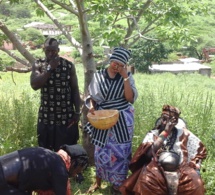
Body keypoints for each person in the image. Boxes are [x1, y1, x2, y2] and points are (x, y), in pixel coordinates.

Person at [84, 47, 138, 194]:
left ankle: (118, 184)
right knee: (100, 151)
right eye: (115, 63)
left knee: (121, 151)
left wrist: (125, 76)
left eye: (121, 65)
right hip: (103, 118)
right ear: (110, 61)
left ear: (124, 65)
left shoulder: (126, 76)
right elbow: (92, 98)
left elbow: (130, 98)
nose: (117, 67)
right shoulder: (99, 75)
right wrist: (91, 107)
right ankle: (98, 181)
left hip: (122, 119)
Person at [120, 105, 207, 195]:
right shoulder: (153, 134)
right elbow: (148, 154)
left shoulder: (184, 134)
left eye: (170, 120)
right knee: (147, 181)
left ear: (175, 121)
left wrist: (195, 165)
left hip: (181, 167)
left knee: (195, 184)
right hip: (156, 167)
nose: (166, 122)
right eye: (164, 119)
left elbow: (199, 150)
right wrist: (165, 132)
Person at [30, 37, 81, 152]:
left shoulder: (68, 66)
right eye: (47, 51)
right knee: (46, 152)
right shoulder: (39, 64)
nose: (50, 53)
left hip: (65, 117)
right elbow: (34, 85)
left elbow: (74, 89)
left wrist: (77, 111)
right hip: (46, 117)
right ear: (44, 50)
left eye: (53, 51)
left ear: (58, 50)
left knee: (67, 152)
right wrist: (49, 69)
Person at [0, 144, 88, 195]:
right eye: (79, 170)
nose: (76, 174)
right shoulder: (60, 171)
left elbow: (29, 176)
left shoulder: (48, 155)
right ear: (75, 163)